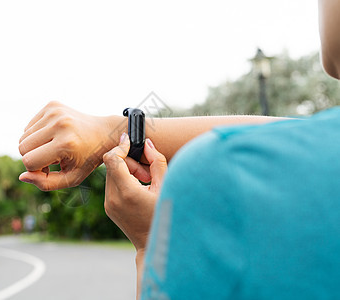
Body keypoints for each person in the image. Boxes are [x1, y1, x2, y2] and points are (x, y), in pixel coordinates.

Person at [19, 0, 340, 298]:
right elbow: (299, 136)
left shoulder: (217, 169)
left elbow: (286, 141)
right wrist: (114, 131)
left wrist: (149, 243)